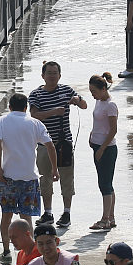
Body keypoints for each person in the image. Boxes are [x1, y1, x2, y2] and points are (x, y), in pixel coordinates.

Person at [0, 92, 56, 260]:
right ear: (26, 108)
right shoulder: (35, 123)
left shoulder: (2, 122)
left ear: (10, 107)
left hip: (7, 177)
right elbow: (50, 146)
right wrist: (54, 169)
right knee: (26, 217)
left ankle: (6, 251)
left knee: (6, 215)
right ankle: (30, 253)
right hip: (29, 177)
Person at [29, 61, 88, 229]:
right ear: (43, 76)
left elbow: (84, 106)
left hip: (64, 144)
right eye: (49, 73)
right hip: (44, 144)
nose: (52, 76)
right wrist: (54, 111)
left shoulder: (66, 90)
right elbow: (34, 115)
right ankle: (48, 212)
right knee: (45, 178)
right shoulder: (36, 95)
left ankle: (67, 212)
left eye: (55, 73)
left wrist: (78, 99)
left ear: (60, 75)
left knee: (67, 178)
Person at [87, 74, 118, 231]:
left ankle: (105, 219)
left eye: (94, 91)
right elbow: (98, 122)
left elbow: (113, 130)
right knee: (106, 183)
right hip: (97, 144)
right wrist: (92, 135)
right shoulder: (99, 102)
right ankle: (110, 217)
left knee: (105, 184)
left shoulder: (110, 105)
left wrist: (102, 148)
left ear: (103, 89)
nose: (93, 94)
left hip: (107, 148)